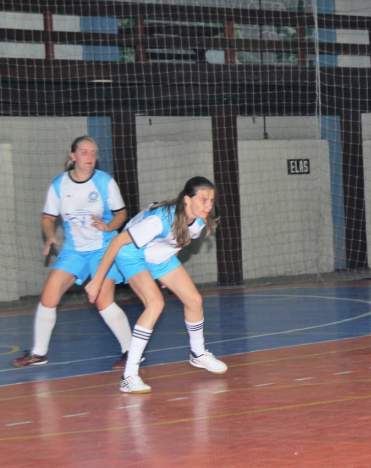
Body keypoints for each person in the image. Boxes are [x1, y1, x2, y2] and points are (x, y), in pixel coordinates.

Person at [85, 176, 227, 393]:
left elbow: (172, 243)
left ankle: (198, 354)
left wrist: (160, 276)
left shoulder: (199, 221)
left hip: (159, 257)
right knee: (155, 304)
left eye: (211, 200)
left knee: (194, 300)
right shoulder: (160, 220)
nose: (209, 205)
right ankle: (129, 376)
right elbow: (117, 242)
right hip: (131, 254)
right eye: (204, 199)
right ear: (187, 200)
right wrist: (97, 281)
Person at [11, 136, 132, 369]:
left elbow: (121, 214)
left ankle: (131, 351)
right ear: (72, 155)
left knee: (103, 301)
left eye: (94, 153)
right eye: (84, 152)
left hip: (103, 249)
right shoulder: (59, 185)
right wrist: (50, 236)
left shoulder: (105, 182)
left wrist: (108, 226)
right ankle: (39, 353)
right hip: (74, 251)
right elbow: (48, 218)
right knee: (48, 296)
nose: (90, 157)